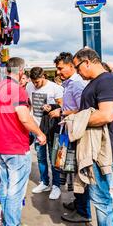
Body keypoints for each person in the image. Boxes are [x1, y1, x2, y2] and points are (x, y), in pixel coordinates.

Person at [65, 48, 113, 226]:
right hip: (92, 148)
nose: (77, 71)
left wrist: (75, 121)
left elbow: (106, 114)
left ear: (87, 62)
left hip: (100, 150)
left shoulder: (107, 81)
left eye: (77, 66)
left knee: (102, 199)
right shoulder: (96, 82)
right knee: (98, 197)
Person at [0, 57, 47, 226]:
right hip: (15, 146)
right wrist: (40, 133)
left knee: (6, 189)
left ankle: (8, 225)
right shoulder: (17, 90)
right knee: (14, 192)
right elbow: (24, 117)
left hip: (0, 146)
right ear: (21, 71)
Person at [49, 53, 91, 222]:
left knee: (78, 173)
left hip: (76, 133)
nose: (58, 72)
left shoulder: (77, 85)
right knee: (70, 170)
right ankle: (78, 203)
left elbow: (84, 110)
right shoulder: (68, 84)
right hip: (68, 131)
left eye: (61, 68)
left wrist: (62, 111)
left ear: (71, 66)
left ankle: (83, 211)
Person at [26, 67, 64, 200]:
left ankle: (56, 186)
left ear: (44, 76)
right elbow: (29, 105)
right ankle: (45, 182)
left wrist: (52, 108)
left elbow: (63, 107)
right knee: (41, 157)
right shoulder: (29, 86)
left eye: (38, 82)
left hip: (52, 128)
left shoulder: (55, 88)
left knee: (54, 158)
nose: (35, 85)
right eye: (34, 82)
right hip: (37, 128)